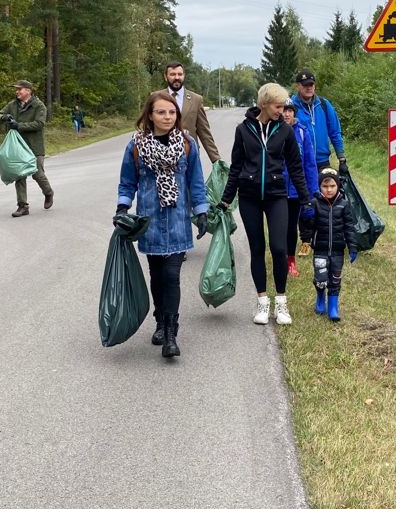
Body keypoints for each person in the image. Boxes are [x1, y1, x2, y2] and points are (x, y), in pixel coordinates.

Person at [116, 91, 210, 358]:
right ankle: (159, 321)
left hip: (178, 220)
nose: (167, 117)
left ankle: (171, 334)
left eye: (171, 112)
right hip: (151, 221)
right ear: (150, 115)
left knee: (171, 276)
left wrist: (201, 212)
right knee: (156, 277)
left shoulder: (187, 144)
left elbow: (196, 182)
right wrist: (122, 207)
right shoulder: (135, 146)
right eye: (161, 112)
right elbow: (127, 182)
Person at [219, 83, 311, 326]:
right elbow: (236, 167)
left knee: (279, 248)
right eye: (278, 106)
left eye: (284, 107)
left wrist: (305, 196)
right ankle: (262, 302)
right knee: (257, 248)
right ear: (264, 105)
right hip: (249, 197)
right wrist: (227, 198)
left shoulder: (285, 131)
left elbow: (295, 167)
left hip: (276, 195)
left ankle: (281, 302)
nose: (283, 111)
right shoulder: (243, 130)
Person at [301, 168, 357, 322]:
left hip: (338, 250)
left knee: (335, 278)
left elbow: (349, 227)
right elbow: (307, 226)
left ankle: (333, 307)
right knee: (321, 277)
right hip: (320, 249)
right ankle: (320, 298)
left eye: (332, 186)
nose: (329, 189)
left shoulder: (344, 205)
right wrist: (306, 217)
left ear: (337, 186)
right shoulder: (315, 203)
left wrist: (352, 247)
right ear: (320, 187)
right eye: (325, 186)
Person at [0, 80, 54, 218]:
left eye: (19, 89)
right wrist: (5, 117)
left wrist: (19, 125)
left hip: (35, 146)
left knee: (37, 173)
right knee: (19, 174)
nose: (17, 91)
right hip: (18, 146)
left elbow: (39, 124)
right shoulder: (13, 104)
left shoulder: (39, 106)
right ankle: (23, 206)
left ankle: (48, 192)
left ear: (28, 90)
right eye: (16, 89)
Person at [282, 99, 319, 278]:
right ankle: (279, 258)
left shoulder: (302, 133)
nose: (287, 114)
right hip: (278, 189)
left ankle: (290, 261)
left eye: (290, 110)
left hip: (296, 190)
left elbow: (310, 165)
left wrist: (311, 193)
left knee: (291, 227)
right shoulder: (273, 132)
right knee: (278, 227)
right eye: (283, 110)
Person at [290, 69, 347, 176]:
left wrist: (342, 158)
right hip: (299, 162)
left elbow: (335, 132)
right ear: (297, 86)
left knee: (326, 191)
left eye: (311, 84)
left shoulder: (324, 105)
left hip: (322, 162)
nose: (309, 87)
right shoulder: (291, 107)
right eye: (305, 85)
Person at [163, 61, 221, 164]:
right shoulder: (156, 98)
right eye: (172, 74)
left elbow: (204, 133)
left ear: (184, 76)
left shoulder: (196, 100)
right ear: (166, 76)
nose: (177, 77)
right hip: (161, 157)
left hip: (189, 157)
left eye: (179, 74)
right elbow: (146, 128)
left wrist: (216, 160)